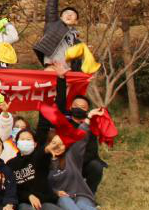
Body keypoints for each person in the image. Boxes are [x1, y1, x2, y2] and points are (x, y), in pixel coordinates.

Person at [6, 123, 98, 210]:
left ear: (35, 143)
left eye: (28, 139)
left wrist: (48, 148)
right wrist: (29, 196)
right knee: (23, 209)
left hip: (44, 199)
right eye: (22, 139)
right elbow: (13, 188)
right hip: (25, 202)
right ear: (16, 143)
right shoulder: (10, 164)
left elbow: (42, 154)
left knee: (50, 208)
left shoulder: (39, 157)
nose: (25, 142)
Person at [46, 116, 121, 210]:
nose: (58, 147)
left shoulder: (71, 156)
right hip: (62, 198)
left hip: (80, 193)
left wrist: (87, 120)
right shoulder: (43, 162)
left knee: (82, 204)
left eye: (61, 144)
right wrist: (55, 192)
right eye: (54, 143)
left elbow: (81, 140)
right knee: (64, 200)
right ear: (47, 144)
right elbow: (43, 185)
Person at [46, 65, 109, 193]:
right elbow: (59, 104)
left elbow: (91, 152)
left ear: (87, 110)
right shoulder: (63, 123)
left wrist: (76, 160)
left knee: (96, 166)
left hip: (81, 163)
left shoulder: (90, 127)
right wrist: (61, 79)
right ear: (71, 107)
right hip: (63, 162)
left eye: (83, 107)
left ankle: (89, 195)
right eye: (76, 106)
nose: (79, 109)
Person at [34, 0, 81, 67]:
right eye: (66, 13)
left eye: (72, 14)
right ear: (61, 17)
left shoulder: (76, 40)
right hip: (52, 66)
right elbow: (52, 3)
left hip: (67, 71)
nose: (69, 15)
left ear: (76, 21)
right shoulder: (53, 23)